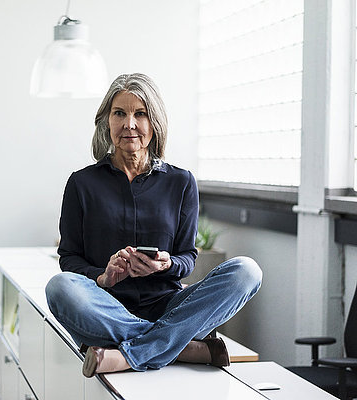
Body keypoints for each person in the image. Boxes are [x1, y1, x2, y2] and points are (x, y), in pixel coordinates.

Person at [45, 73, 262, 377]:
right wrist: (103, 277)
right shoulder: (81, 183)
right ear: (107, 120)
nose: (129, 124)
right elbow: (69, 259)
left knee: (247, 271)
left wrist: (165, 265)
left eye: (140, 114)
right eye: (119, 113)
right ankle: (182, 347)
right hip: (105, 308)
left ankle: (133, 352)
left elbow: (187, 258)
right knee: (59, 288)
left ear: (154, 123)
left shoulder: (181, 182)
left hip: (169, 304)